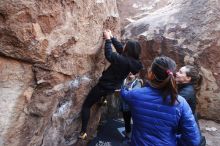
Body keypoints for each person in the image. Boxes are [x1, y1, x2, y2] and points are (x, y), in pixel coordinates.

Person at [120, 56, 200, 146]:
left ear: (151, 74)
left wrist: (125, 80)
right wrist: (173, 140)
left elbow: (124, 93)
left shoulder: (135, 95)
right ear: (171, 75)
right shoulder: (180, 102)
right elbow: (193, 140)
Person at [79, 30, 143, 139]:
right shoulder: (134, 62)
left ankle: (83, 132)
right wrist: (112, 38)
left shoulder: (121, 59)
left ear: (128, 50)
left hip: (103, 86)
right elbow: (121, 50)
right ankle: (103, 100)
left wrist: (108, 40)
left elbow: (109, 55)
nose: (124, 47)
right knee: (106, 92)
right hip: (114, 87)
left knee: (86, 105)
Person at [176, 65, 206, 146]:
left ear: (188, 78)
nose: (176, 73)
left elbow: (172, 106)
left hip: (185, 123)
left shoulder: (186, 93)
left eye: (180, 72)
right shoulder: (185, 87)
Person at [119, 73, 143, 140]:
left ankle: (136, 137)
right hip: (125, 106)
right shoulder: (124, 80)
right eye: (129, 73)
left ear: (136, 74)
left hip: (134, 107)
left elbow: (133, 93)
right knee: (127, 122)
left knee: (137, 123)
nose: (130, 74)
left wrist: (125, 88)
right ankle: (128, 135)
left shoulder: (138, 82)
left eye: (132, 73)